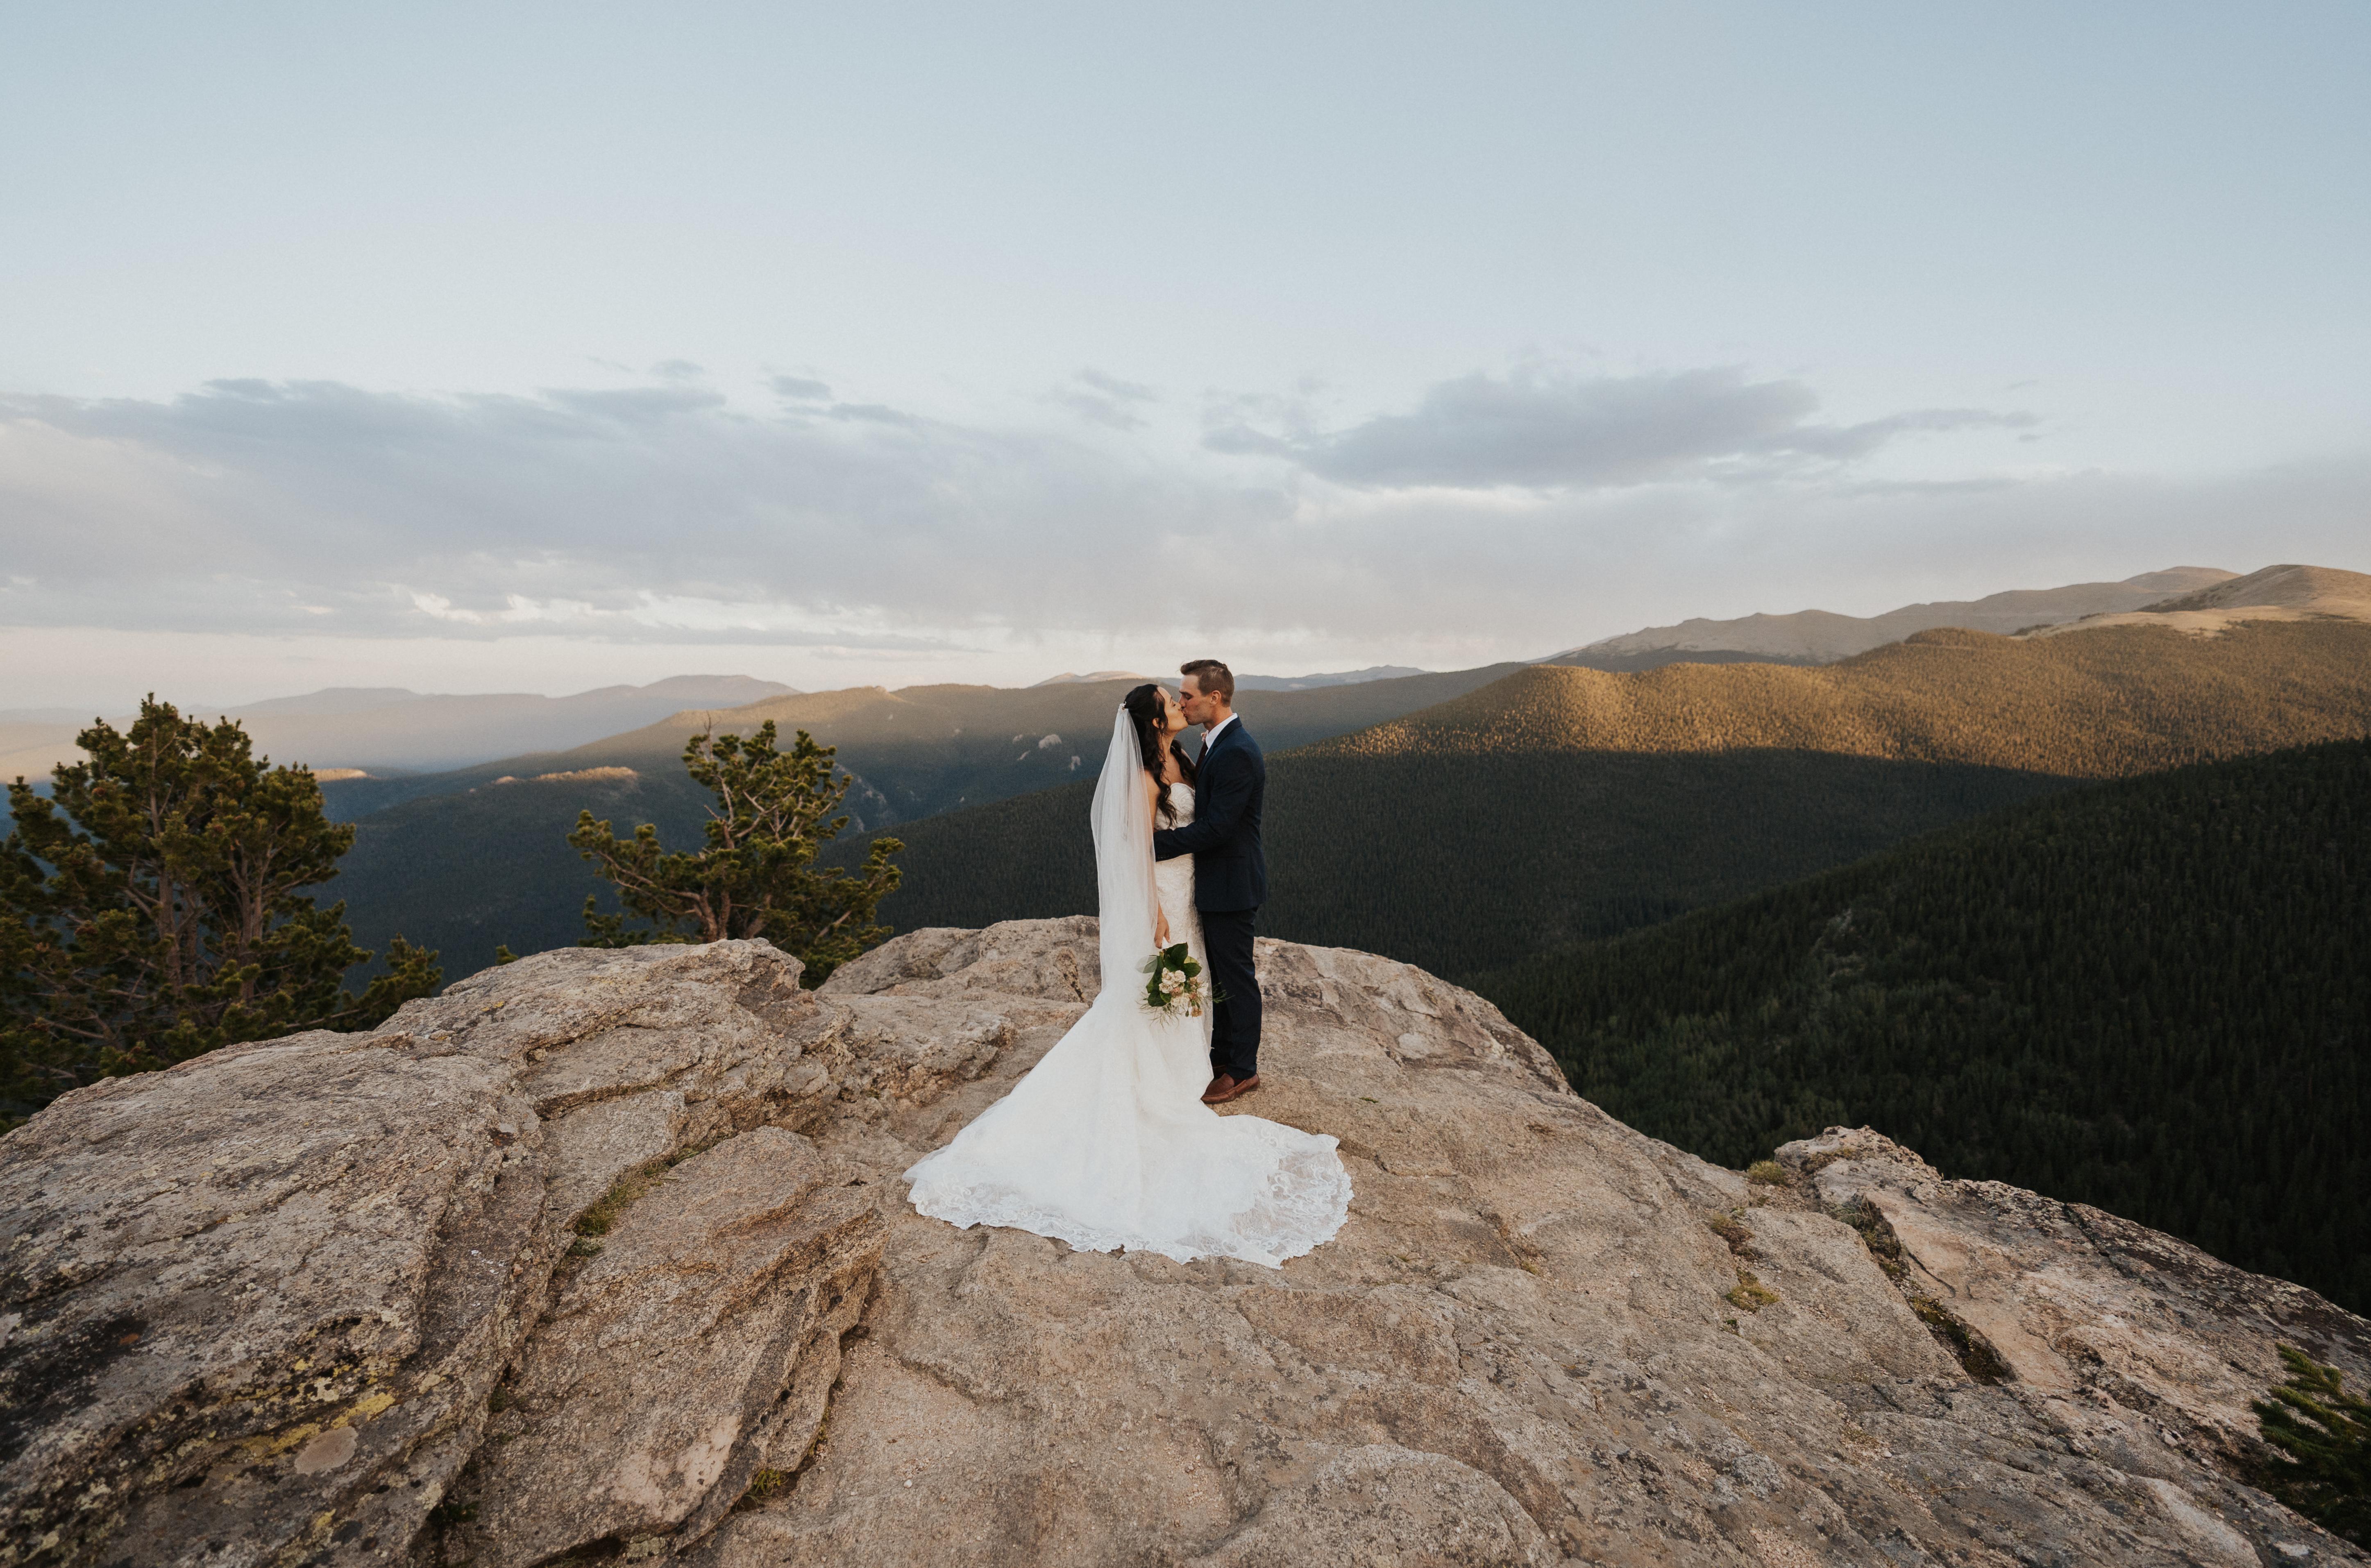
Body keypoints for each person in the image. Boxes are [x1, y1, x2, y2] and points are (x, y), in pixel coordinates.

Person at [902, 684, 1348, 1267]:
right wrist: (1153, 909)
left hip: (1190, 889)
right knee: (1156, 985)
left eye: (1181, 697)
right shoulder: (1143, 776)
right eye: (1169, 701)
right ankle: (1156, 1077)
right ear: (1153, 720)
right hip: (1164, 893)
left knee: (1187, 983)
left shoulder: (1183, 758)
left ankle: (1187, 1067)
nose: (1179, 705)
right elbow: (1136, 848)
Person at [1154, 659, 1265, 1104]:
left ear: (1214, 697)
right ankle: (1222, 1056)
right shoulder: (1215, 742)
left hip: (1232, 883)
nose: (1182, 703)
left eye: (1188, 696)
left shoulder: (1237, 750)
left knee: (1236, 977)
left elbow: (1218, 828)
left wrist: (1151, 846)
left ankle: (1243, 1070)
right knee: (1218, 973)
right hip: (1213, 881)